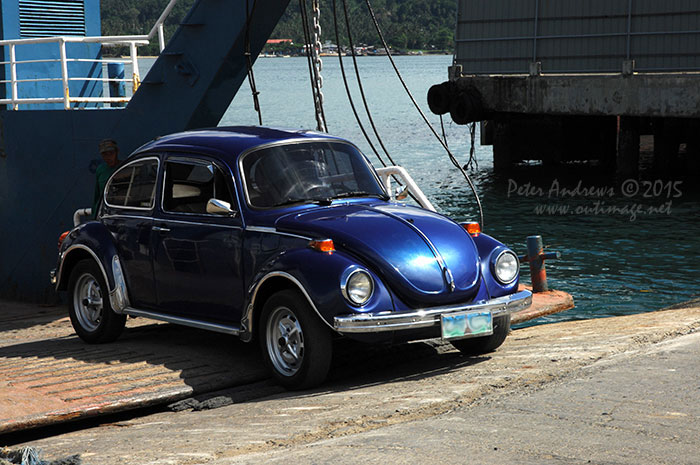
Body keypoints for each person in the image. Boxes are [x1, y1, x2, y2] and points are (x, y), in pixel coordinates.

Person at [93, 139, 121, 217]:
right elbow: (97, 196)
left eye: (111, 153)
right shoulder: (100, 170)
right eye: (105, 154)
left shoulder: (124, 167)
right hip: (106, 213)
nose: (108, 157)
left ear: (117, 152)